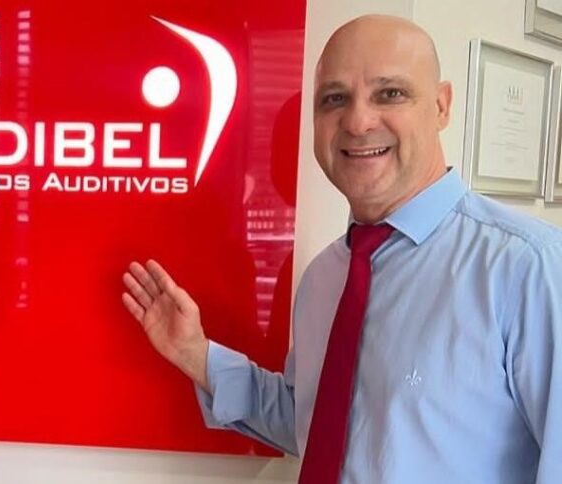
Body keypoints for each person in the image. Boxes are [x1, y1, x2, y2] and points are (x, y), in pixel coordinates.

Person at [123, 14, 561, 484]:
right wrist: (196, 353)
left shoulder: (528, 269)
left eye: (389, 93)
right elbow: (315, 426)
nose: (357, 121)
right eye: (335, 99)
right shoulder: (325, 278)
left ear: (441, 106)